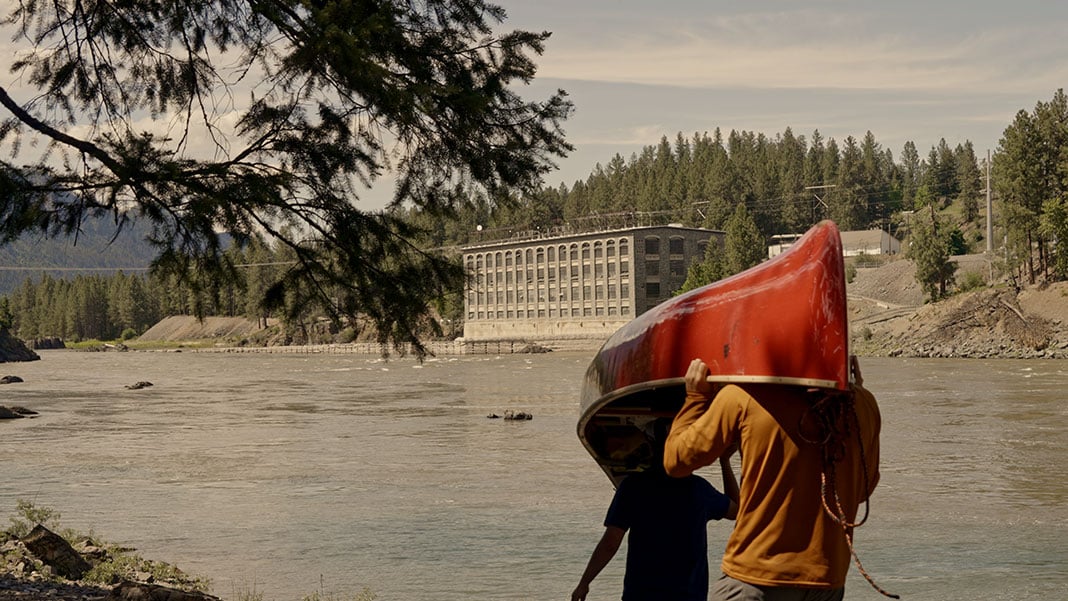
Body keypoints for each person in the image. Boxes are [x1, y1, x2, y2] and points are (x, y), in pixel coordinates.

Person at [663, 356, 884, 601]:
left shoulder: (742, 396)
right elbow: (862, 491)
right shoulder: (861, 404)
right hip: (827, 582)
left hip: (757, 577)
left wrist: (696, 398)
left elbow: (676, 462)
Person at [572, 420, 739, 601]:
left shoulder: (632, 488)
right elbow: (737, 511)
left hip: (641, 595)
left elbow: (610, 543)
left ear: (650, 446)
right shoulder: (699, 489)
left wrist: (584, 583)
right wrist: (724, 461)